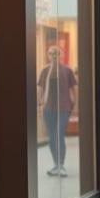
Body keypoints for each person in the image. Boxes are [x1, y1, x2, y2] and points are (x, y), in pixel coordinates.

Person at [37, 45, 77, 177]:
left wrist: (74, 104)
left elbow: (74, 88)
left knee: (59, 135)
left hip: (64, 108)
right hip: (48, 108)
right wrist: (39, 103)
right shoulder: (45, 71)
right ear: (48, 55)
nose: (54, 56)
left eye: (57, 53)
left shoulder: (67, 71)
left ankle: (61, 164)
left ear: (61, 55)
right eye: (51, 53)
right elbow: (41, 88)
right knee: (52, 137)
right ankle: (56, 164)